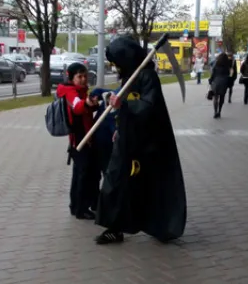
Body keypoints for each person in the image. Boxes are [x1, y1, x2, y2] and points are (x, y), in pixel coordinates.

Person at [94, 36, 187, 245]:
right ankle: (114, 227)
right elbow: (126, 105)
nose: (115, 66)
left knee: (145, 185)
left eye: (117, 61)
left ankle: (161, 225)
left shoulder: (147, 77)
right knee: (114, 180)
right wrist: (119, 125)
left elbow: (148, 107)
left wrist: (123, 106)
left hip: (146, 144)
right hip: (127, 139)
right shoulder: (130, 76)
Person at [56, 63, 100, 220]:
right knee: (83, 175)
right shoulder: (70, 91)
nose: (82, 79)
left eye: (84, 76)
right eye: (79, 77)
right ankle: (81, 208)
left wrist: (93, 105)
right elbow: (77, 107)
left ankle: (78, 206)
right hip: (79, 140)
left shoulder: (82, 91)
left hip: (86, 137)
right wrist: (87, 104)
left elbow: (84, 111)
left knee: (84, 173)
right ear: (71, 77)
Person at [208, 53, 232, 119]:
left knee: (215, 98)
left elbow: (213, 74)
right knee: (222, 97)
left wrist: (210, 80)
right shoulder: (227, 66)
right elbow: (229, 75)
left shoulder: (216, 65)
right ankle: (219, 111)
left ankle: (215, 112)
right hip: (224, 83)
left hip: (216, 82)